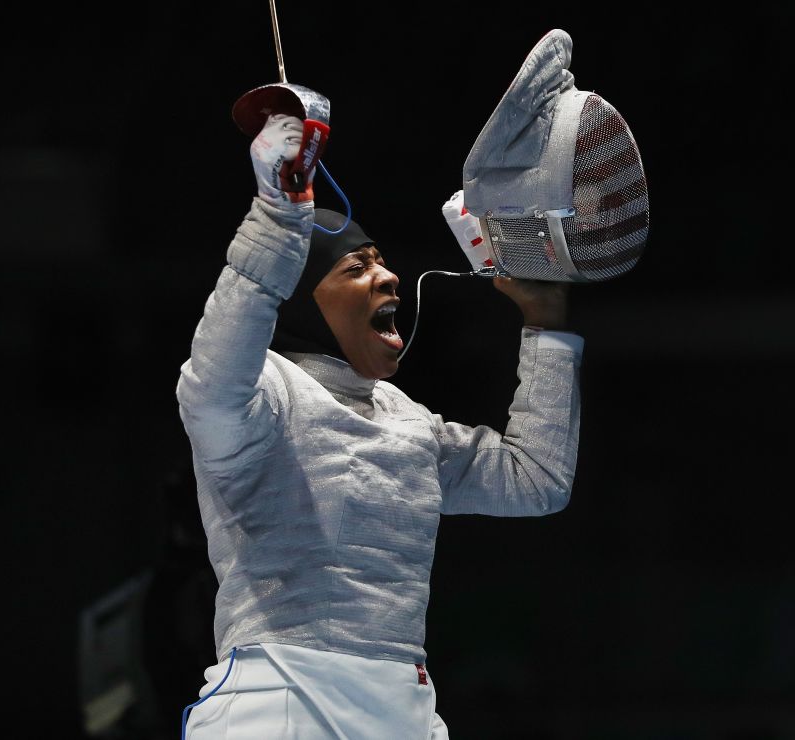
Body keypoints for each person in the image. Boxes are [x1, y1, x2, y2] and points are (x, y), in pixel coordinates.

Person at [175, 113, 582, 738]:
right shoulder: (263, 398)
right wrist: (278, 216)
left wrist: (545, 320)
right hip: (284, 693)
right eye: (356, 267)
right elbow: (213, 378)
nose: (388, 276)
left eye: (381, 262)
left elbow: (537, 479)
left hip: (403, 706)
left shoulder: (409, 422)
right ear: (305, 301)